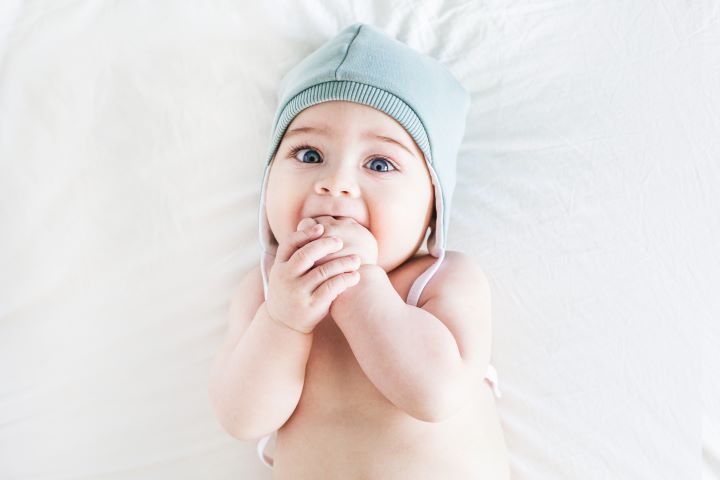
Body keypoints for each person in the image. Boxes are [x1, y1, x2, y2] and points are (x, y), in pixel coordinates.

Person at [209, 22, 510, 478]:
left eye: (380, 163)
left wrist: (360, 285)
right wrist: (284, 322)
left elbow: (436, 394)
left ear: (434, 205)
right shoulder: (267, 291)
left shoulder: (442, 281)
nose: (336, 183)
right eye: (309, 155)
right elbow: (242, 419)